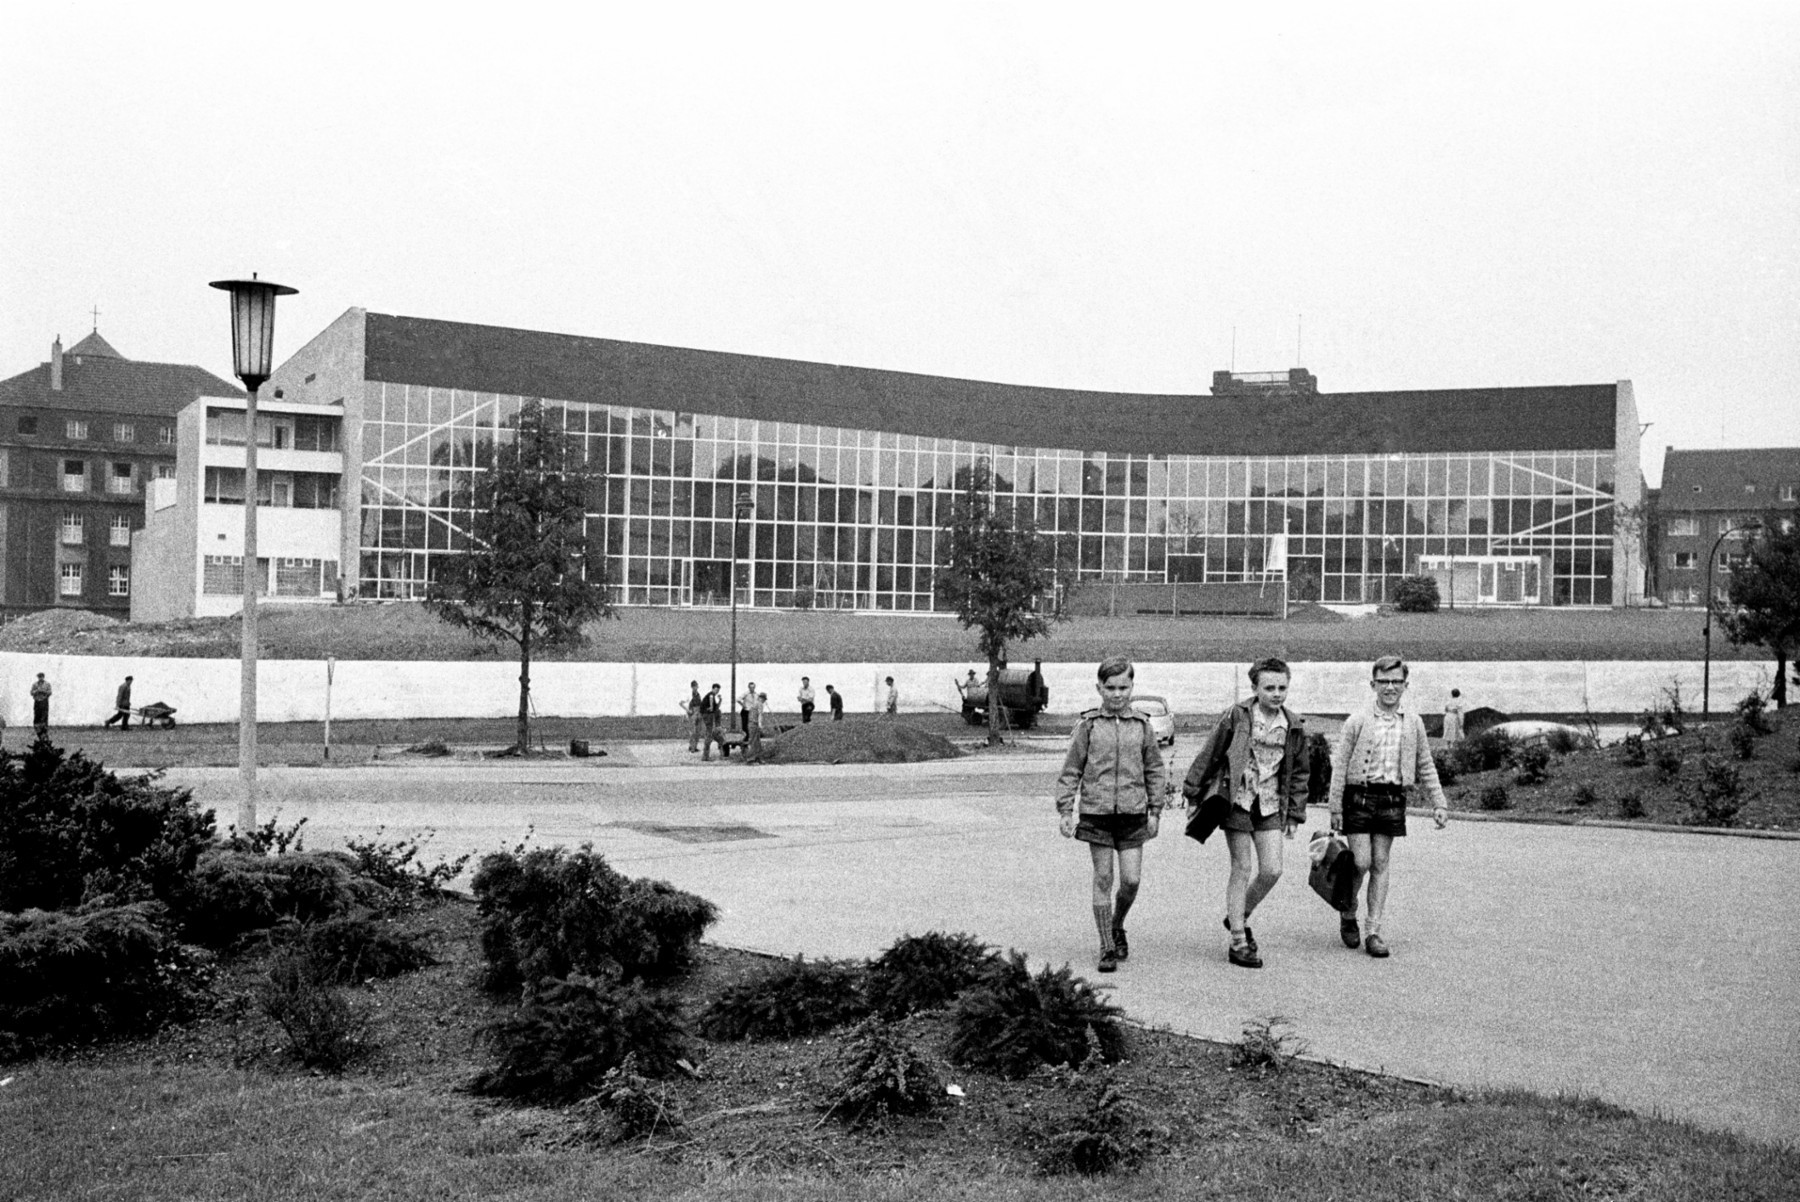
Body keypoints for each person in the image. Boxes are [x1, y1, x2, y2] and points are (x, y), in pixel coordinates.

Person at [1181, 657, 1310, 969]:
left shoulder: (1293, 725)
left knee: (1272, 870)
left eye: (1282, 687)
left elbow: (1300, 773)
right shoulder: (1238, 715)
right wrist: (1192, 792)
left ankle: (1238, 915)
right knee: (1241, 867)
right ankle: (1238, 939)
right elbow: (1211, 753)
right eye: (1269, 687)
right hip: (1237, 799)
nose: (1276, 693)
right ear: (1255, 688)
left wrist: (1294, 813)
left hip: (1269, 803)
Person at [1328, 655, 1450, 959]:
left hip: (1392, 798)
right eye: (1384, 682)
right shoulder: (1357, 720)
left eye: (1396, 682)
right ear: (1373, 684)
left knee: (1381, 863)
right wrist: (1335, 807)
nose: (1390, 687)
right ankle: (1348, 910)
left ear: (1405, 685)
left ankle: (1373, 931)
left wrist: (1439, 802)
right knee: (1361, 862)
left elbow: (1425, 762)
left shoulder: (1413, 722)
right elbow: (1340, 764)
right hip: (1358, 796)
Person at [1054, 655, 1168, 974]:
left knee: (1131, 880)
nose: (1117, 694)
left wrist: (1155, 810)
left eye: (1123, 687)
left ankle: (1117, 923)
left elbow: (1155, 770)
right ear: (1099, 688)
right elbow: (1071, 769)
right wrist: (1066, 809)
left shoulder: (1142, 725)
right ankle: (1106, 944)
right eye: (1110, 688)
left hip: (1133, 814)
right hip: (1097, 813)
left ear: (1132, 687)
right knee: (1103, 877)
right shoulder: (1088, 726)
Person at [698, 683, 725, 761]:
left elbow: (716, 708)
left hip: (708, 715)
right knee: (709, 734)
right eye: (716, 689)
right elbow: (712, 705)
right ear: (713, 689)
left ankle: (706, 756)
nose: (717, 691)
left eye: (718, 690)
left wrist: (720, 700)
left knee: (710, 734)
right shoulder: (711, 695)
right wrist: (711, 707)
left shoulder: (712, 697)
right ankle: (705, 756)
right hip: (707, 715)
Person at [686, 680, 704, 752]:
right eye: (694, 686)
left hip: (698, 712)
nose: (695, 688)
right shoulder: (689, 695)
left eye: (696, 686)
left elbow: (700, 704)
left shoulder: (699, 695)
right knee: (693, 731)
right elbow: (682, 703)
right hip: (692, 713)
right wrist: (688, 711)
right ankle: (691, 746)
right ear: (691, 687)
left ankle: (695, 746)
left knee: (698, 731)